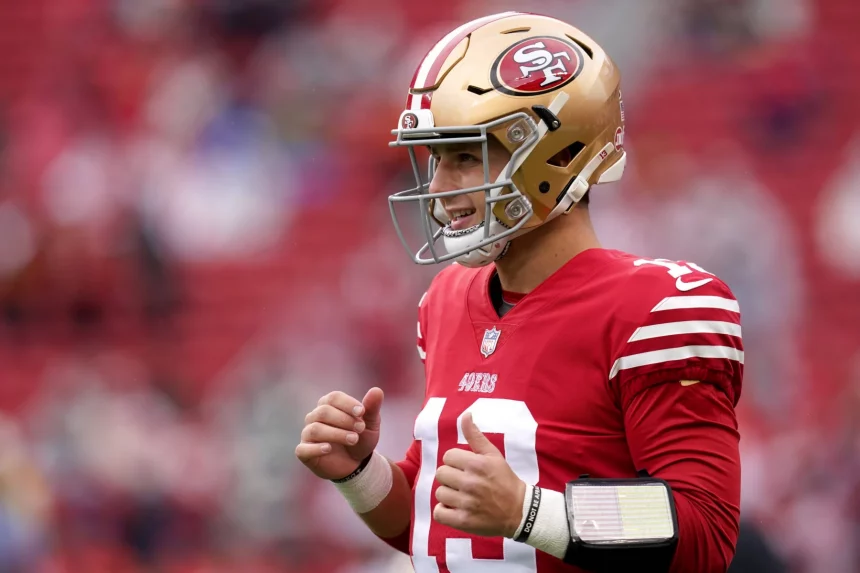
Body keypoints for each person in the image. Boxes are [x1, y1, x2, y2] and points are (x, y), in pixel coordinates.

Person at [296, 11, 743, 573]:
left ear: (556, 154)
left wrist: (530, 513)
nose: (439, 188)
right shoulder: (446, 300)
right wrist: (361, 474)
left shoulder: (656, 308)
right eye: (436, 158)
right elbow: (447, 530)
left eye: (466, 156)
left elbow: (703, 532)